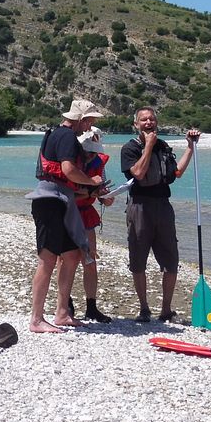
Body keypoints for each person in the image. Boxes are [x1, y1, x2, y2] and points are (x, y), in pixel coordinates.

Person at [25, 100, 107, 333]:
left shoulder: (58, 134)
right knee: (48, 259)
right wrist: (91, 181)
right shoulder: (67, 136)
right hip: (50, 202)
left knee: (71, 255)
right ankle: (36, 319)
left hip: (62, 201)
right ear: (80, 119)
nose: (89, 126)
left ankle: (62, 313)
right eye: (89, 121)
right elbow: (68, 170)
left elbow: (65, 174)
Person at [120, 106, 201, 322]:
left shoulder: (163, 147)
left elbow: (176, 173)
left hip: (163, 206)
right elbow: (138, 173)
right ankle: (144, 309)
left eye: (152, 119)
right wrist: (148, 145)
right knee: (138, 260)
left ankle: (166, 310)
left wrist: (190, 148)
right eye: (143, 120)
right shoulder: (129, 149)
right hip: (139, 207)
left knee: (171, 260)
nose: (148, 123)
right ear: (136, 124)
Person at [64, 127, 115, 323]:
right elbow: (65, 193)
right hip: (68, 213)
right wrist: (90, 192)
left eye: (94, 151)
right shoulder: (68, 162)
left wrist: (106, 197)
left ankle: (91, 307)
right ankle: (65, 305)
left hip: (86, 214)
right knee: (65, 261)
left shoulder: (98, 163)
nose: (91, 155)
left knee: (90, 260)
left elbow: (102, 194)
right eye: (88, 151)